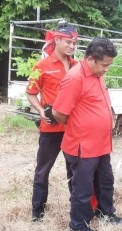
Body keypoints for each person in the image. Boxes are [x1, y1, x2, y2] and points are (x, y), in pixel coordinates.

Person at [52, 37, 122, 231]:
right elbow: (58, 113)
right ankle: (79, 225)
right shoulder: (75, 78)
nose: (107, 69)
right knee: (83, 188)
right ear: (91, 59)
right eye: (105, 65)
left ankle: (106, 213)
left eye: (109, 65)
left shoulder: (97, 74)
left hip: (102, 144)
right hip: (82, 146)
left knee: (105, 182)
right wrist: (80, 126)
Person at [26, 24, 78, 221]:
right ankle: (37, 213)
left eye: (74, 42)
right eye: (68, 41)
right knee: (43, 170)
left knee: (75, 169)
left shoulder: (77, 66)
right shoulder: (41, 66)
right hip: (50, 128)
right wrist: (40, 110)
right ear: (56, 40)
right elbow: (31, 93)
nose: (72, 46)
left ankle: (77, 207)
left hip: (73, 128)